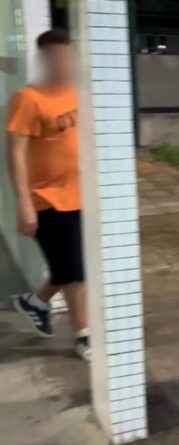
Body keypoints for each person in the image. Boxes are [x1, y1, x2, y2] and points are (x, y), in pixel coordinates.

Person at [7, 29, 90, 360]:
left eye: (67, 56)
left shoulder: (80, 93)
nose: (63, 63)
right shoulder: (28, 99)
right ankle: (85, 334)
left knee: (67, 265)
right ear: (43, 60)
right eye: (56, 57)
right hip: (48, 198)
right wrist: (25, 203)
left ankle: (35, 302)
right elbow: (15, 154)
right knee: (75, 270)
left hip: (82, 195)